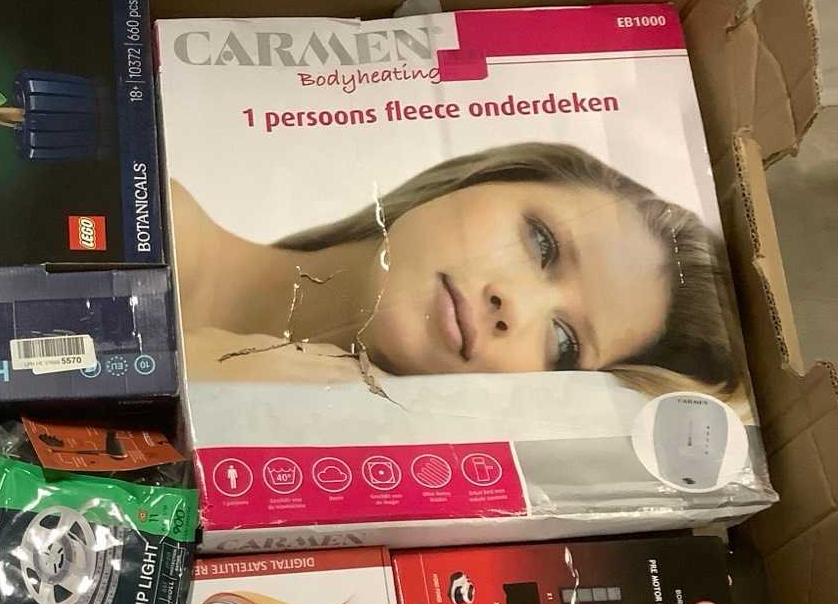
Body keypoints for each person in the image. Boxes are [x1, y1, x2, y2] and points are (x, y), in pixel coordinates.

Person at [173, 142, 744, 407]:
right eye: (542, 243)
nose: (514, 306)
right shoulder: (149, 218)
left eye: (564, 343)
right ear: (478, 180)